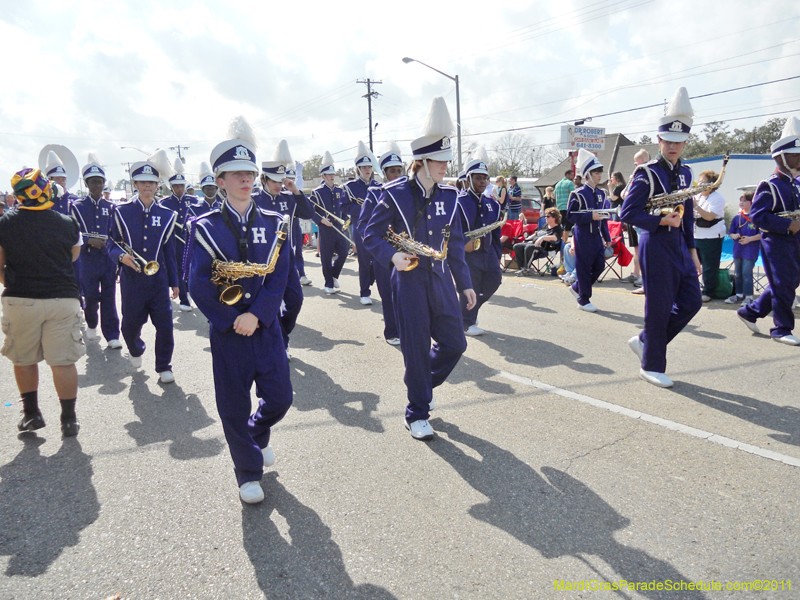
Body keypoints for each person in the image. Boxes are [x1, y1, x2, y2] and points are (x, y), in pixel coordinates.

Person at [187, 116, 293, 504]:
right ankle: (247, 472)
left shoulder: (276, 222)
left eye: (249, 172)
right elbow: (197, 284)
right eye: (236, 174)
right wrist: (231, 319)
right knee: (233, 405)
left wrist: (259, 315)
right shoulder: (204, 226)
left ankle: (256, 434)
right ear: (221, 181)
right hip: (228, 331)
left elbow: (280, 276)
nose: (245, 180)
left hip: (265, 327)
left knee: (280, 398)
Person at [363, 96, 476, 441]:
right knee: (414, 346)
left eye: (447, 159)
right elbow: (369, 233)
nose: (445, 166)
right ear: (423, 161)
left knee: (455, 344)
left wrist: (465, 284)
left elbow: (455, 243)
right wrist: (391, 257)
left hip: (439, 279)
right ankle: (417, 412)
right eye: (440, 160)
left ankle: (420, 383)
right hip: (408, 279)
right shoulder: (394, 192)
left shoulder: (450, 195)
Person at [620, 86, 703, 388]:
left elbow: (689, 214)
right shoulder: (646, 173)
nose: (673, 147)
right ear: (659, 140)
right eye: (668, 141)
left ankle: (646, 342)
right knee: (658, 305)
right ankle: (651, 364)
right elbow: (626, 213)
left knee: (692, 302)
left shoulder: (687, 173)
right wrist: (658, 219)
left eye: (679, 142)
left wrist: (693, 251)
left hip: (679, 246)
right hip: (654, 244)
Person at [0, 169, 84, 436]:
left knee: (24, 359)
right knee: (63, 362)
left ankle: (32, 414)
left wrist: (12, 281)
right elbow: (71, 258)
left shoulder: (5, 224)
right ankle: (69, 419)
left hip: (21, 298)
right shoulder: (67, 222)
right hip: (62, 298)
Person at [108, 150, 180, 383]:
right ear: (136, 184)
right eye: (143, 182)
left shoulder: (168, 214)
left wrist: (175, 282)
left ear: (158, 185)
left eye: (152, 183)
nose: (148, 186)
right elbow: (112, 242)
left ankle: (163, 366)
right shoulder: (121, 211)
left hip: (158, 281)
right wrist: (121, 257)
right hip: (132, 280)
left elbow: (169, 251)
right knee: (129, 325)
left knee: (165, 326)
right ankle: (136, 348)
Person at [737, 116, 800, 345]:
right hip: (775, 242)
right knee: (783, 285)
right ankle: (781, 329)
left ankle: (750, 311)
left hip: (794, 241)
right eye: (796, 154)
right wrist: (787, 225)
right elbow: (757, 216)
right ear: (782, 156)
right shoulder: (770, 184)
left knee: (787, 283)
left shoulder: (794, 184)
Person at [252, 140, 314, 355]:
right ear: (263, 179)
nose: (279, 185)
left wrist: (295, 188)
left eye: (282, 180)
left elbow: (308, 214)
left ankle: (282, 336)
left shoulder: (289, 198)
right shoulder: (252, 200)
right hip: (262, 263)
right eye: (274, 181)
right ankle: (279, 344)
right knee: (272, 307)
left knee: (296, 302)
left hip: (287, 261)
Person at [69, 153, 122, 348]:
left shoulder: (112, 207)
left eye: (99, 182)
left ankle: (112, 335)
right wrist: (88, 239)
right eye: (92, 182)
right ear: (87, 184)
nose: (96, 186)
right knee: (90, 296)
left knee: (109, 297)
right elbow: (71, 232)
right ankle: (91, 322)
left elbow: (117, 233)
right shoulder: (76, 207)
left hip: (107, 260)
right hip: (87, 259)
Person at [357, 140, 404, 345]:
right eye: (392, 171)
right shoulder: (375, 193)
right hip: (385, 252)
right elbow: (363, 225)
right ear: (384, 173)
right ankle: (392, 332)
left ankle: (409, 328)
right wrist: (381, 245)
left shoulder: (410, 194)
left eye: (399, 170)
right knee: (388, 293)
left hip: (407, 251)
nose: (397, 175)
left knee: (409, 293)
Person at [457, 147, 503, 336]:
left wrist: (497, 254)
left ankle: (468, 312)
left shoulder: (492, 204)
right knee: (472, 287)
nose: (482, 182)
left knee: (494, 281)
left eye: (485, 178)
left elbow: (496, 232)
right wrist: (462, 245)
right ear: (468, 179)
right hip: (469, 255)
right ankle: (466, 322)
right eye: (478, 178)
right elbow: (451, 231)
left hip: (488, 252)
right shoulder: (458, 202)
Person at [566, 148, 613, 312]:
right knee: (584, 268)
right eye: (596, 172)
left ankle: (578, 287)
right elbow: (570, 216)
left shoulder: (601, 193)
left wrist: (607, 236)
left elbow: (603, 218)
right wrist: (589, 216)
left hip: (597, 236)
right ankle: (583, 299)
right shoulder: (577, 194)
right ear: (587, 174)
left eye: (600, 172)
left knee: (600, 265)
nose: (599, 175)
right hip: (583, 236)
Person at [160, 158, 201, 312]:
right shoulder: (164, 203)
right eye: (176, 186)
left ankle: (192, 293)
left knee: (193, 268)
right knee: (178, 269)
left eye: (181, 186)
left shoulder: (193, 200)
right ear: (171, 187)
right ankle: (184, 299)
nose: (179, 189)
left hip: (190, 241)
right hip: (174, 241)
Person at [342, 142, 378, 305]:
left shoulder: (378, 186)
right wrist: (363, 209)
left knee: (379, 260)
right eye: (363, 167)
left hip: (378, 228)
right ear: (357, 169)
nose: (367, 170)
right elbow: (344, 206)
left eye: (369, 166)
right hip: (360, 227)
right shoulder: (350, 187)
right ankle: (365, 292)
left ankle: (374, 284)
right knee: (364, 261)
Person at [310, 152, 350, 294]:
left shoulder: (340, 190)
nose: (332, 177)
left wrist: (345, 222)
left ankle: (333, 275)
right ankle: (328, 284)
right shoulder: (317, 192)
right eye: (329, 175)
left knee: (344, 253)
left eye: (333, 174)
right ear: (323, 176)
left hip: (339, 228)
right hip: (325, 229)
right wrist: (321, 220)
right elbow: (311, 212)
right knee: (326, 257)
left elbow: (343, 208)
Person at [693, 169, 726, 302]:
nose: (699, 184)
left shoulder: (717, 198)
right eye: (699, 181)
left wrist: (696, 207)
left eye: (702, 182)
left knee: (709, 266)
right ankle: (694, 289)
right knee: (693, 265)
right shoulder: (699, 196)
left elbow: (709, 217)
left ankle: (708, 292)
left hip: (711, 237)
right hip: (697, 235)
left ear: (712, 184)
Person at [725, 191, 760, 306]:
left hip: (750, 250)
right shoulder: (737, 218)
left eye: (745, 201)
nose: (742, 203)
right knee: (738, 273)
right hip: (738, 250)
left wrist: (749, 239)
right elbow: (731, 232)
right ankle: (739, 294)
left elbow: (762, 234)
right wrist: (734, 236)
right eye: (741, 200)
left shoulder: (757, 217)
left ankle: (749, 296)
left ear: (752, 202)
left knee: (746, 273)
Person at [624, 150, 650, 292]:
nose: (635, 164)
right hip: (640, 219)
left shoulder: (643, 174)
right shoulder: (644, 173)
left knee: (644, 253)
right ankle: (645, 281)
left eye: (636, 162)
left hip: (642, 219)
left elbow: (625, 194)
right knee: (642, 252)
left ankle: (646, 282)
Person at [513, 207, 563, 275]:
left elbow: (555, 238)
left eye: (548, 216)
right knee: (517, 246)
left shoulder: (558, 228)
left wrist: (543, 238)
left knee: (529, 248)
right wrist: (527, 239)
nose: (545, 217)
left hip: (547, 249)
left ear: (555, 217)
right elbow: (536, 233)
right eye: (545, 216)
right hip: (535, 245)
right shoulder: (546, 225)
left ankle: (526, 269)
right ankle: (522, 268)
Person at [42, 148, 78, 215]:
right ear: (50, 180)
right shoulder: (44, 200)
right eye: (57, 179)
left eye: (63, 179)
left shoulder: (75, 200)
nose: (61, 182)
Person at [554, 170, 575, 245]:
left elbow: (554, 195)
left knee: (561, 225)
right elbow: (574, 194)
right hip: (567, 207)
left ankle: (561, 240)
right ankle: (564, 241)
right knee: (568, 225)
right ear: (567, 175)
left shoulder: (557, 184)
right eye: (571, 175)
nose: (573, 177)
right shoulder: (569, 183)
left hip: (559, 207)